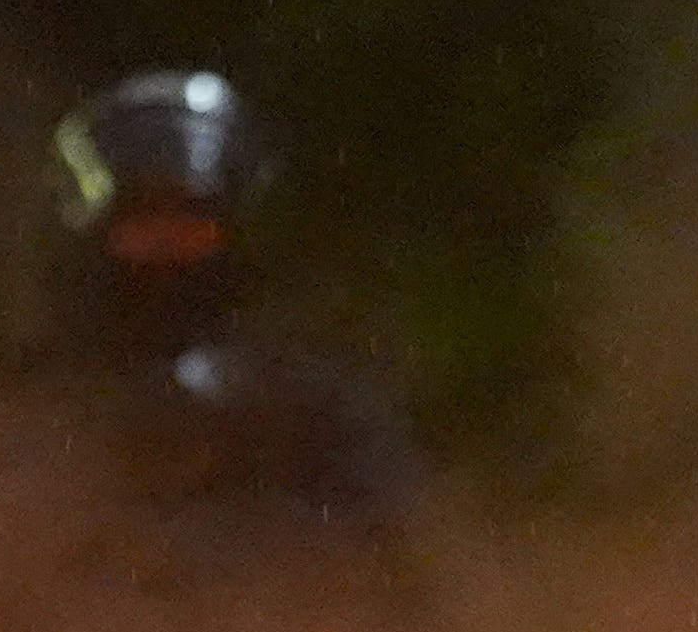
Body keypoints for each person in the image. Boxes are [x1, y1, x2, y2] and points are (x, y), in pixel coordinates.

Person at [25, 65, 417, 561]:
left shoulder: (317, 400)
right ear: (96, 234)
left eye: (191, 218)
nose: (167, 239)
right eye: (143, 217)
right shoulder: (34, 399)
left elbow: (385, 554)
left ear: (234, 230)